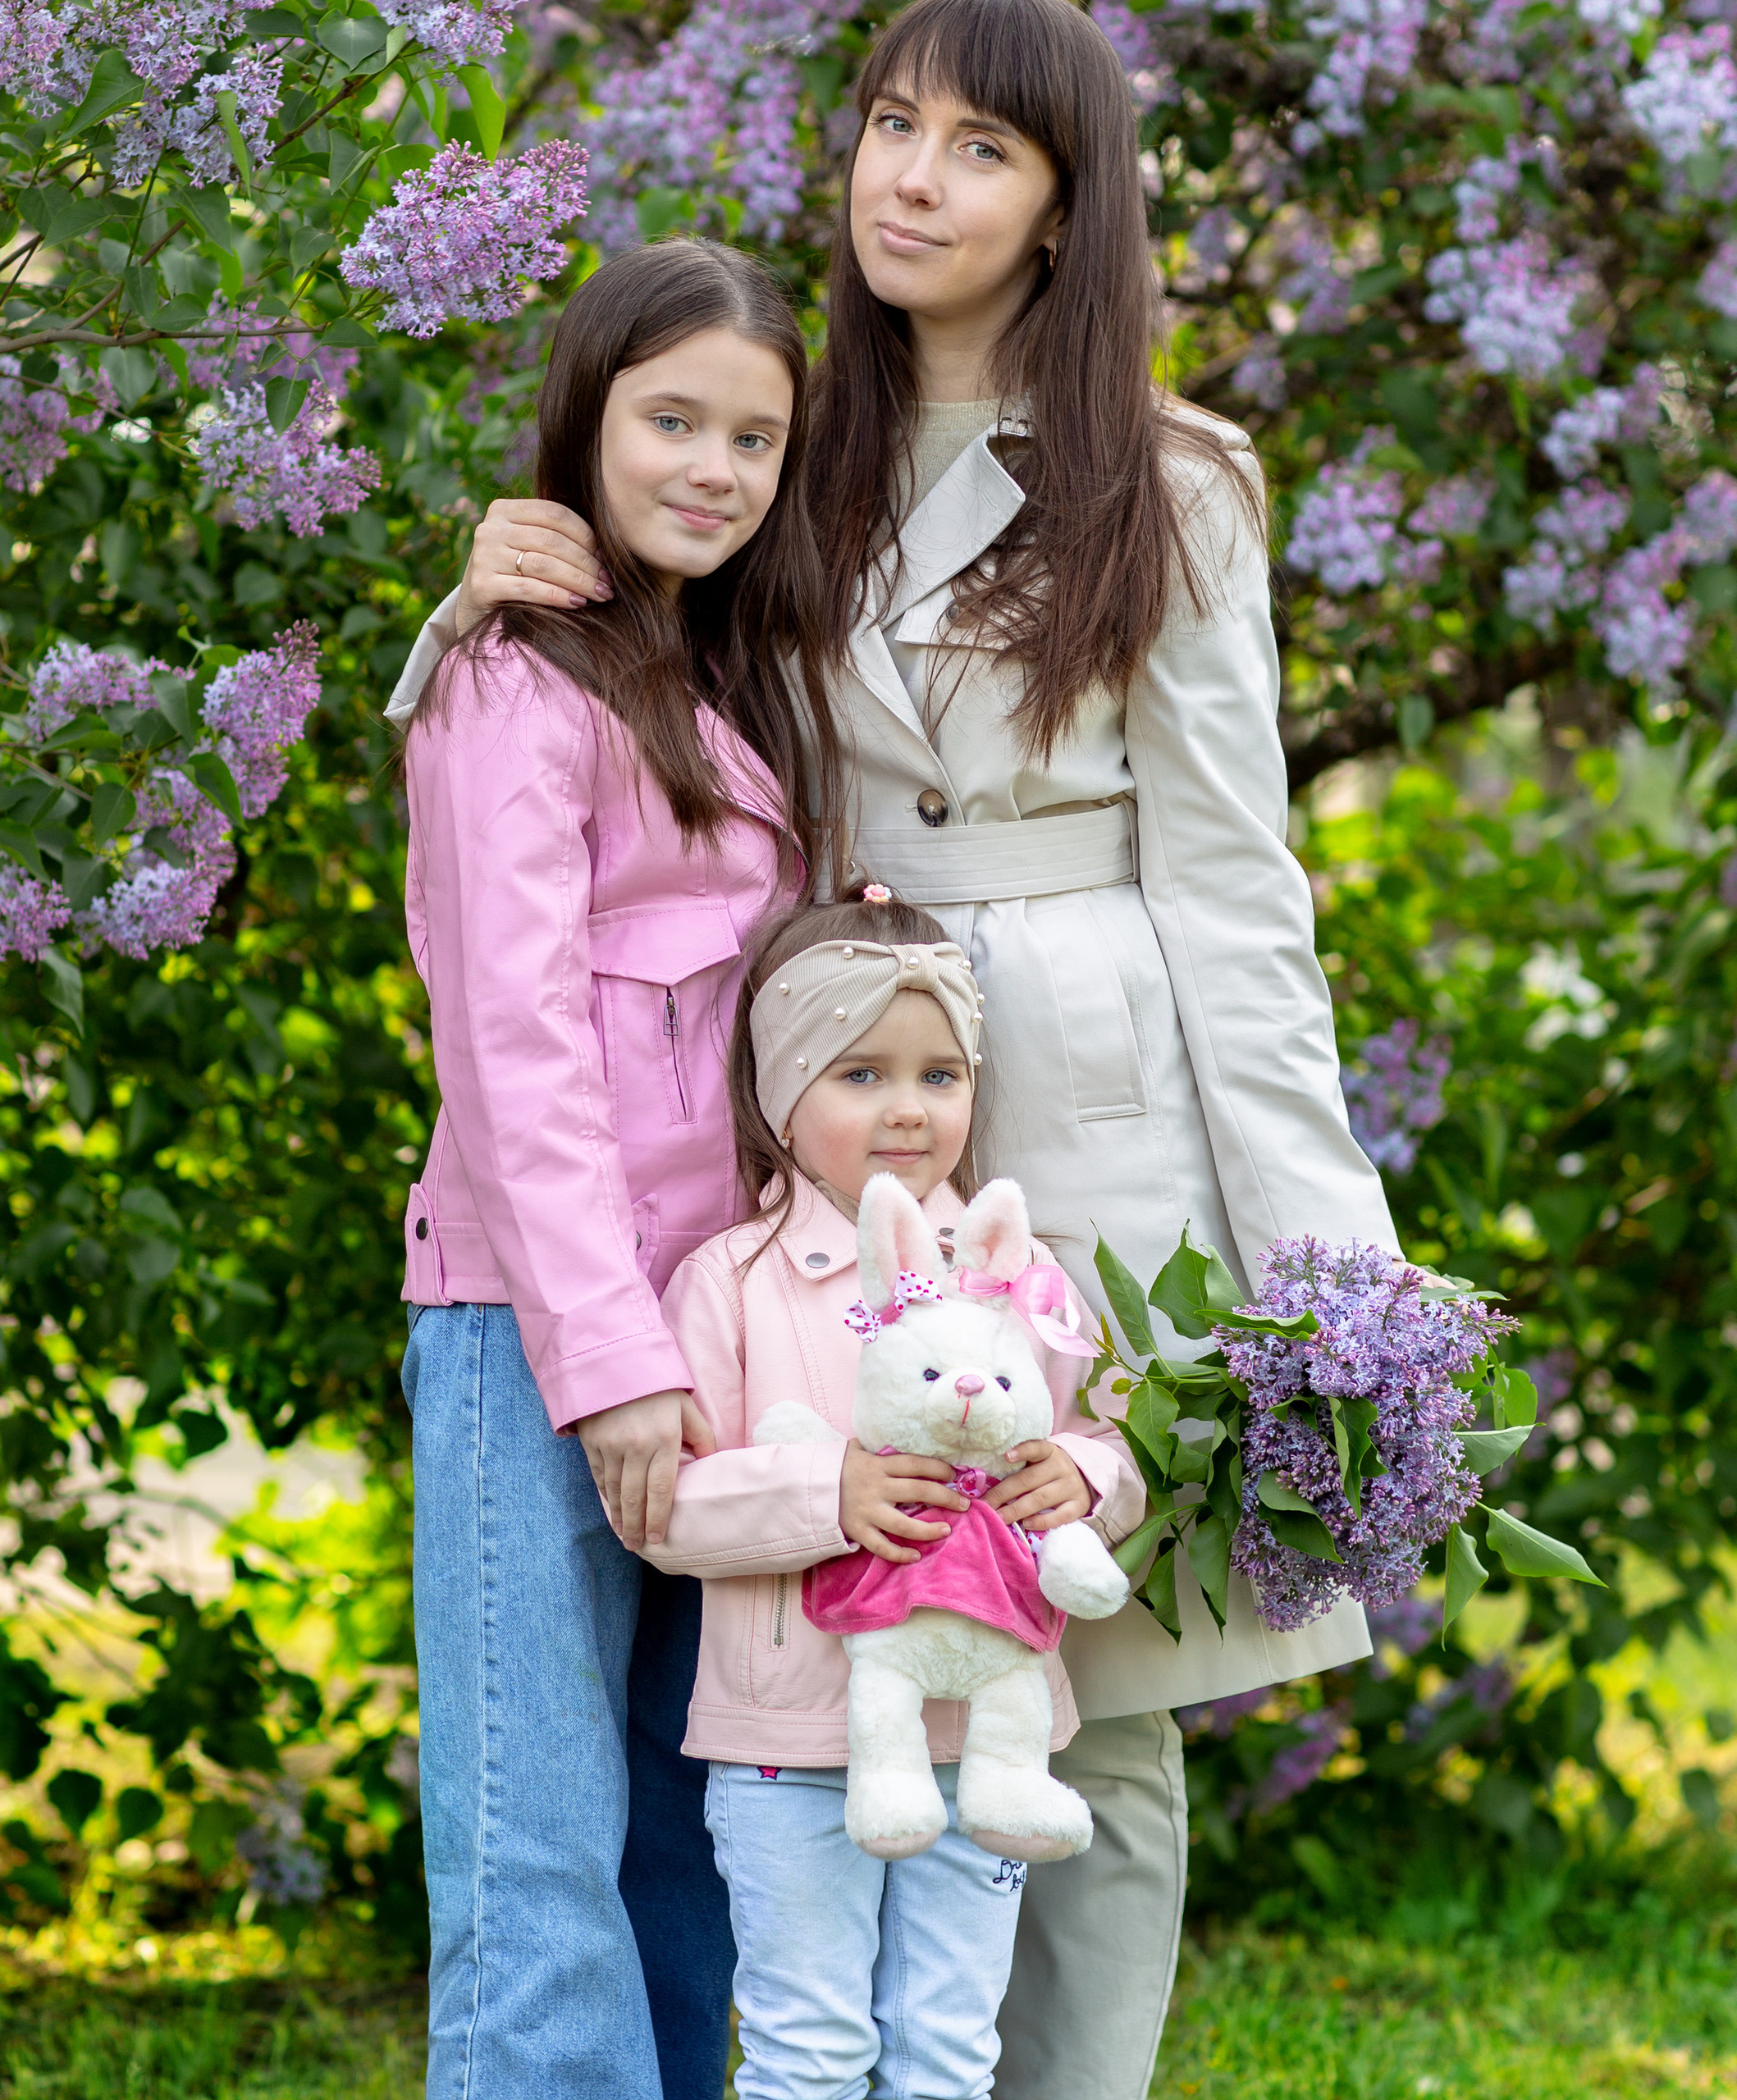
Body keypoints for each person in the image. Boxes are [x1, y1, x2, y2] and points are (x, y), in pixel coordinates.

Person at [389, 1, 1402, 2091]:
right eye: (885, 127)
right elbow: (597, 701)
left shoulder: (1172, 473)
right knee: (777, 1693)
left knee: (1081, 1690)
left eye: (977, 151)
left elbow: (1237, 891)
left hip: (1086, 1096)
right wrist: (466, 593)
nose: (909, 179)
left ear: (1060, 210)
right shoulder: (778, 433)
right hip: (828, 1105)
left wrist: (1334, 1277)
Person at [394, 236, 843, 2100]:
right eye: (671, 417)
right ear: (584, 419)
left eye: (752, 436)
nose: (712, 469)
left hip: (717, 1332)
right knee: (536, 1852)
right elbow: (516, 1055)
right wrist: (614, 1365)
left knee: (693, 1840)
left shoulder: (734, 683)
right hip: (541, 1331)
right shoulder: (513, 682)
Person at [642, 886, 1145, 2100]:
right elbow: (663, 1507)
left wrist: (1080, 1475)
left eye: (939, 1075)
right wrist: (830, 1490)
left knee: (948, 2048)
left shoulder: (1019, 1279)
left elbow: (1110, 1436)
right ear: (782, 1093)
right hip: (787, 1745)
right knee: (808, 2049)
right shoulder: (732, 1282)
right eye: (860, 1075)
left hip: (986, 1741)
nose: (910, 1110)